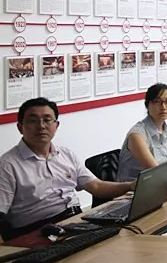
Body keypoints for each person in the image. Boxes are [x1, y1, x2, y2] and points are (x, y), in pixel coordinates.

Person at [0, 98, 135, 241]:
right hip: (36, 232)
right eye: (33, 121)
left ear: (56, 125)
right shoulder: (8, 165)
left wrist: (130, 186)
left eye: (47, 120)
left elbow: (96, 186)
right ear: (20, 127)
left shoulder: (66, 154)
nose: (41, 126)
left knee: (123, 237)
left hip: (75, 222)